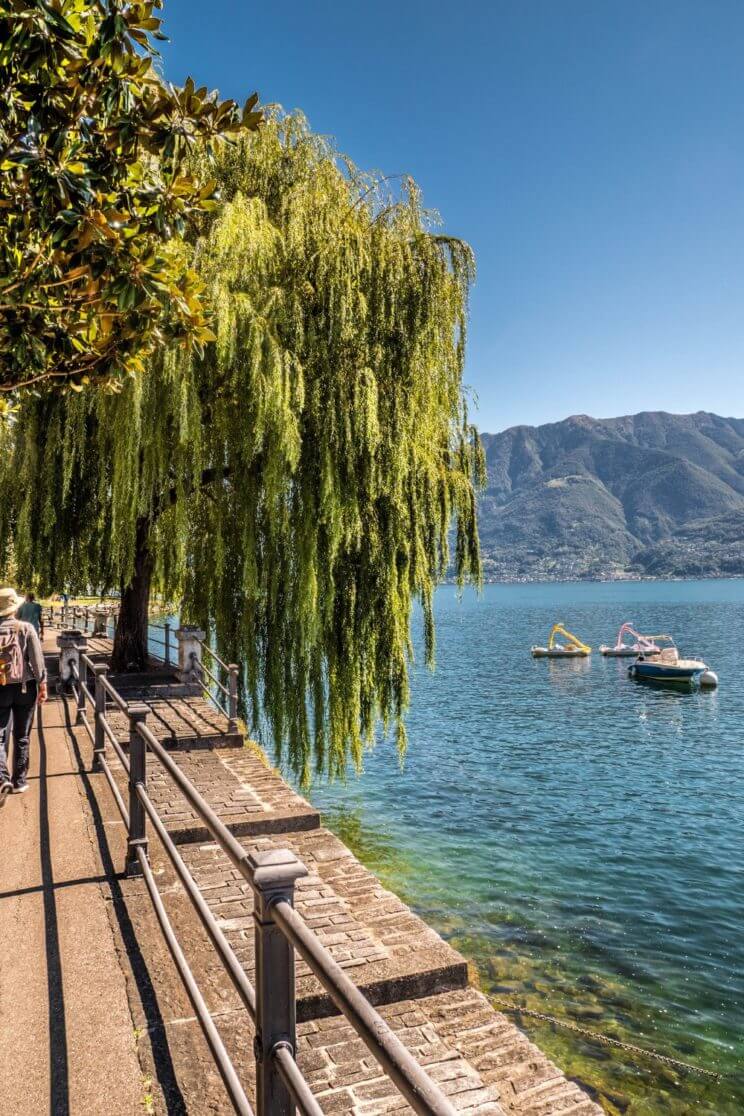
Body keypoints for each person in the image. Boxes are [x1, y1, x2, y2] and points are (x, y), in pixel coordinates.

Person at [0, 587, 47, 804]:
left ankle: (2, 778)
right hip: (25, 688)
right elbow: (37, 662)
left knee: (0, 735)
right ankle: (19, 781)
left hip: (1, 687)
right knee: (22, 734)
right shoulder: (26, 628)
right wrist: (43, 684)